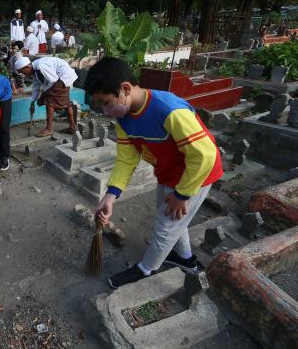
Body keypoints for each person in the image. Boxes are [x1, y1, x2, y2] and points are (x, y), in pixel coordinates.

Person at [85, 57, 223, 289]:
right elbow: (127, 159)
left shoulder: (168, 110)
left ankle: (147, 269)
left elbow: (205, 155)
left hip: (196, 175)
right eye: (100, 105)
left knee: (165, 226)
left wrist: (182, 195)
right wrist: (111, 195)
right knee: (172, 219)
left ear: (125, 89)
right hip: (168, 173)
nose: (105, 111)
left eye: (106, 103)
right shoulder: (123, 117)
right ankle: (184, 258)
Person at [15, 56, 77, 137]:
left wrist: (44, 94)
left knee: (49, 100)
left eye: (22, 71)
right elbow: (36, 86)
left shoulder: (40, 66)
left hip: (63, 77)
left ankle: (49, 129)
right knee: (66, 102)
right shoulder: (35, 70)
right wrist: (32, 102)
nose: (22, 74)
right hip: (63, 78)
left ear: (27, 66)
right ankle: (72, 127)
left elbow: (53, 81)